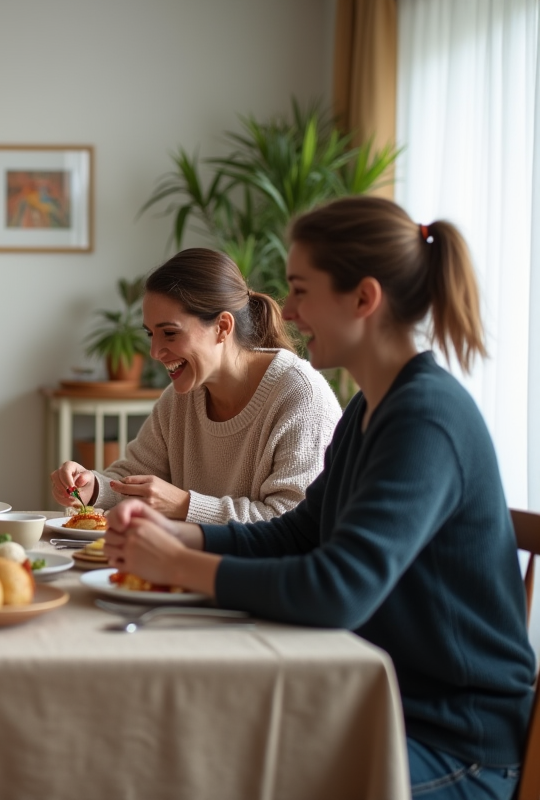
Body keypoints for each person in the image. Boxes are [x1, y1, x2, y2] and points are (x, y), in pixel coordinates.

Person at [105, 197, 534, 800]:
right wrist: (182, 535)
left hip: (454, 743)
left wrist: (177, 564)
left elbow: (338, 589)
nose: (290, 311)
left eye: (303, 291)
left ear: (364, 298)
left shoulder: (426, 420)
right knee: (188, 750)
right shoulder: (370, 407)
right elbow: (300, 531)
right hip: (380, 705)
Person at [51, 248, 341, 523]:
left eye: (169, 333)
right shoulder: (180, 400)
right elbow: (134, 478)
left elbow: (294, 523)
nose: (155, 352)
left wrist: (184, 505)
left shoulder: (301, 396)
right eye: (151, 334)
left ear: (223, 327)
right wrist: (92, 487)